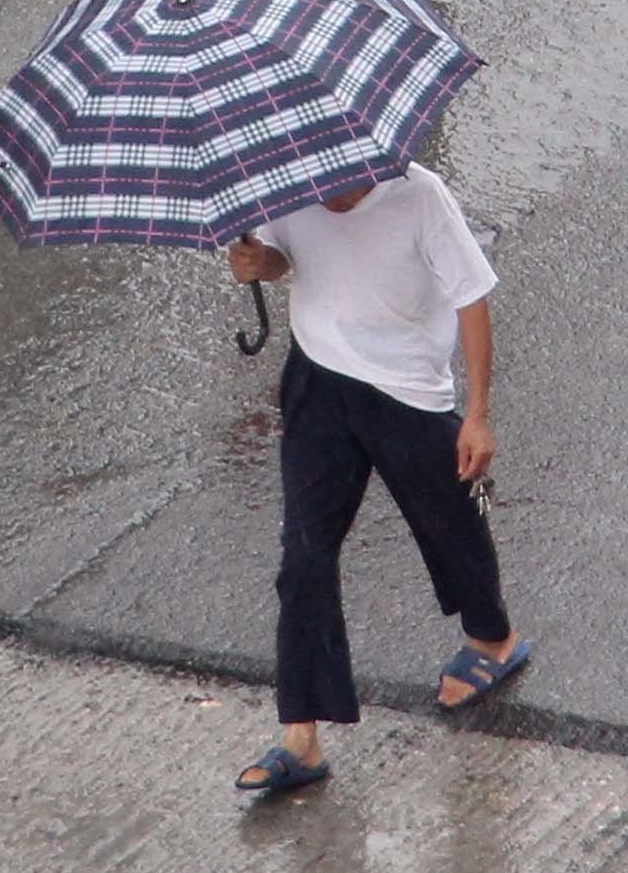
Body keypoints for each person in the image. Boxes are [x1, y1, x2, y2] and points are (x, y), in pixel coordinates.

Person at [223, 159, 527, 797]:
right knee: (303, 558)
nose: (327, 200)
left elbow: (472, 299)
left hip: (407, 390)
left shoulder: (419, 195)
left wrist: (477, 416)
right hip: (316, 381)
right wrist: (260, 265)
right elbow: (286, 260)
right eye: (317, 188)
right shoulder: (287, 180)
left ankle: (492, 638)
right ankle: (300, 739)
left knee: (447, 519)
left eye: (341, 188)